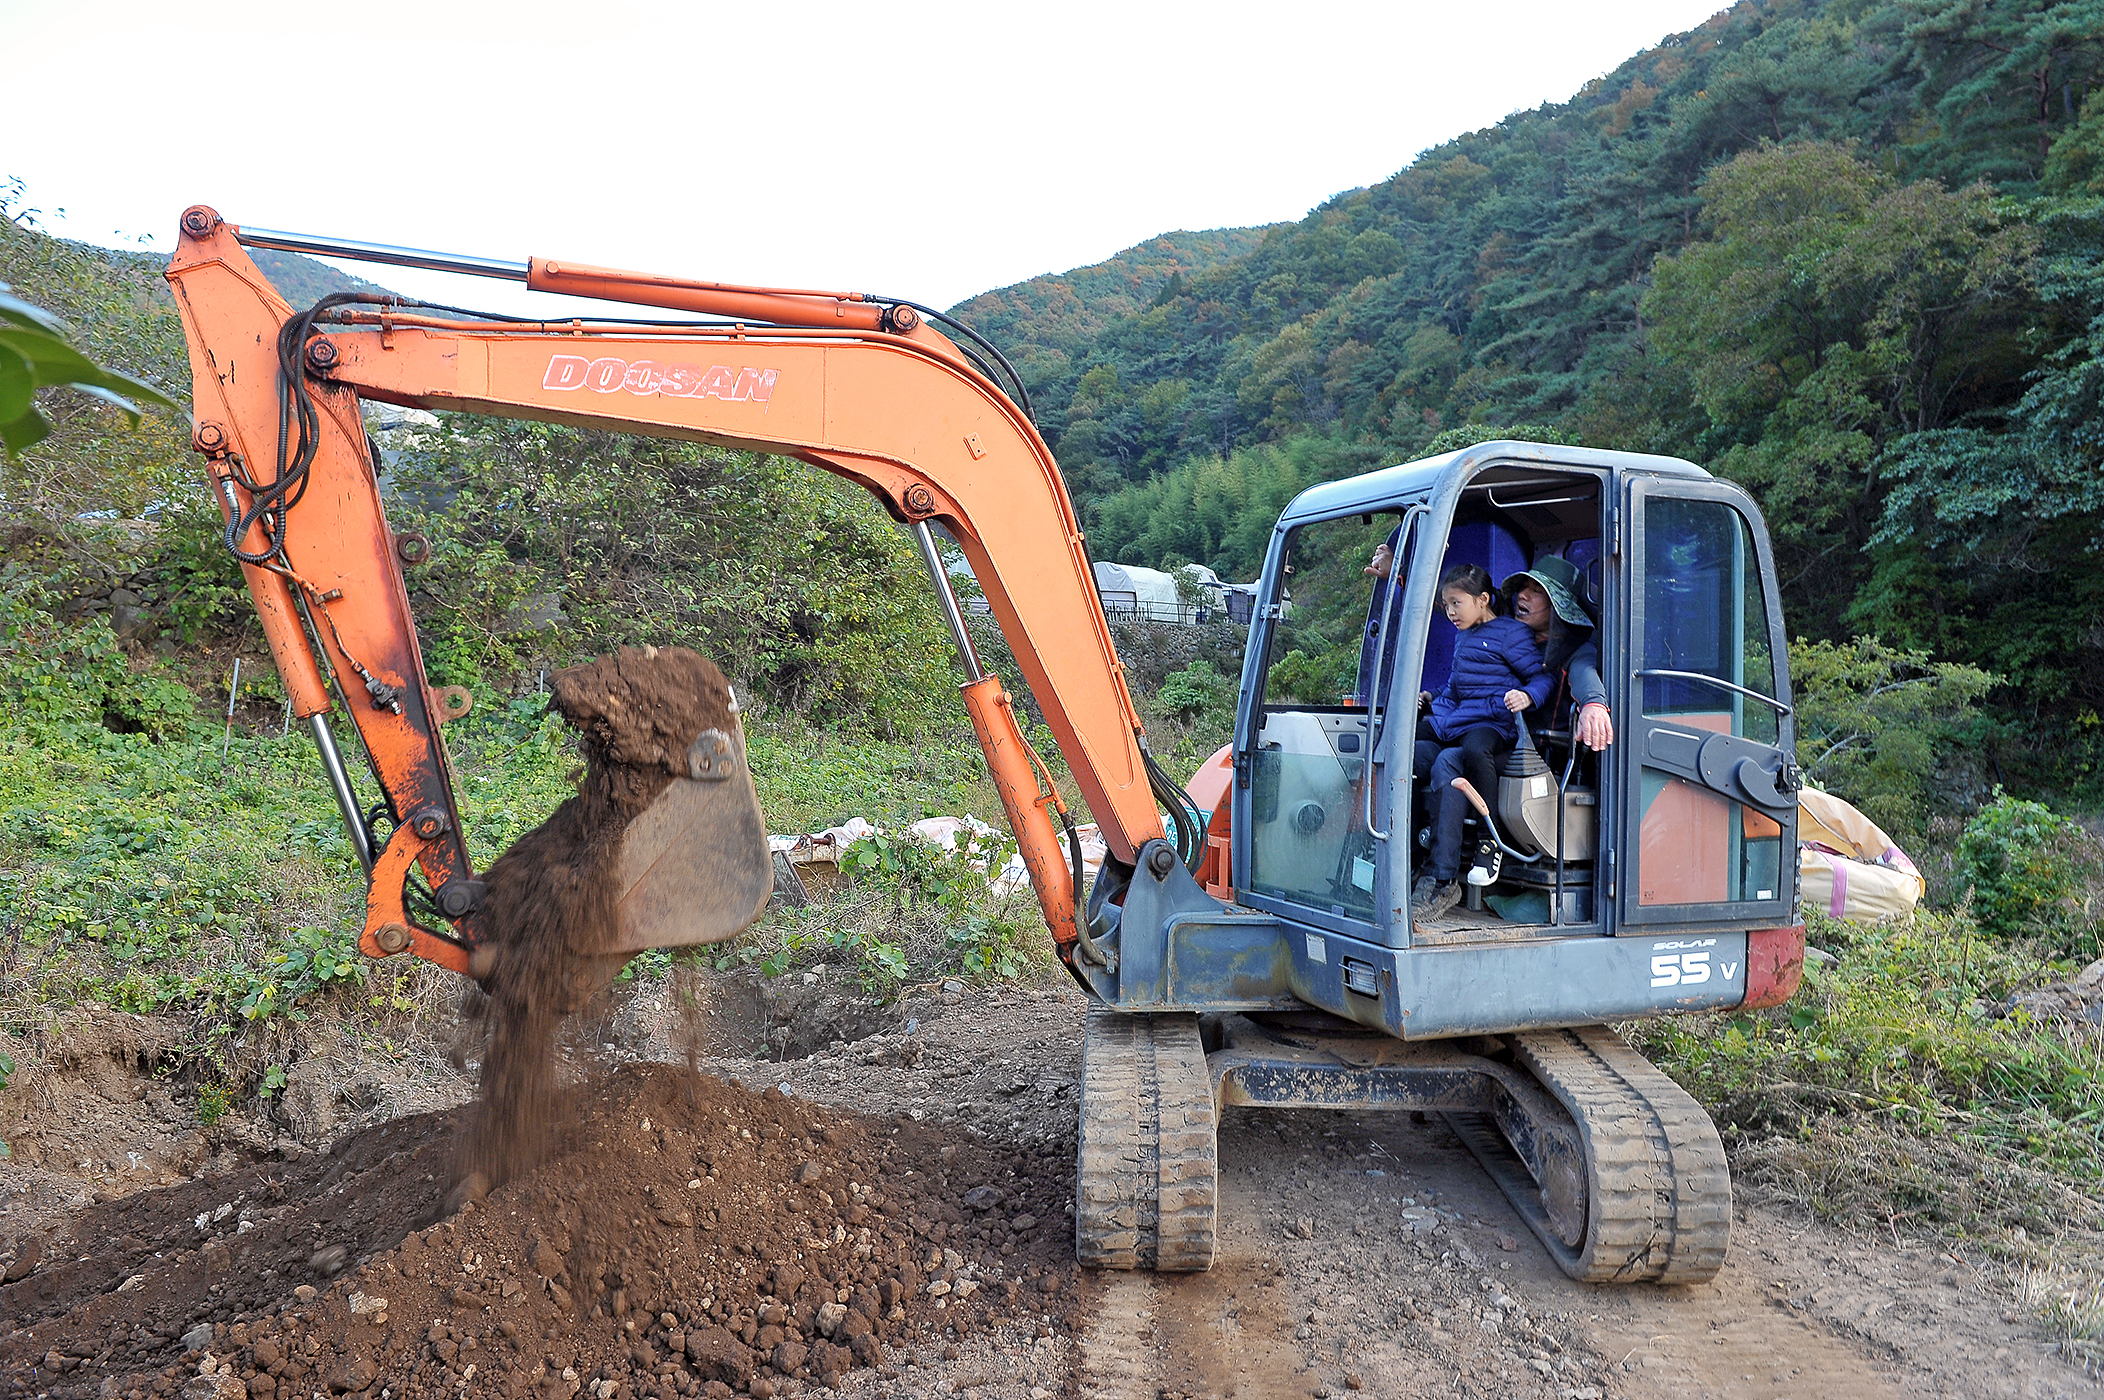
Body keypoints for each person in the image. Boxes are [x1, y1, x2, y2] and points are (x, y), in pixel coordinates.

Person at [1409, 563, 1554, 921]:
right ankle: (1410, 856)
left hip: (1492, 725)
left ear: (1483, 600)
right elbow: (1460, 686)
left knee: (1464, 754)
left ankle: (1489, 842)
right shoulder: (1464, 636)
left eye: (1456, 603)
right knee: (1401, 753)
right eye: (1446, 606)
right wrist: (1432, 696)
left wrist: (1527, 697)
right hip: (1456, 721)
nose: (1450, 612)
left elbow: (1542, 678)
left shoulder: (1510, 634)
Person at [1502, 555, 1614, 752]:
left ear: (1557, 605)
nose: (1522, 595)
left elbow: (1584, 671)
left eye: (1536, 591)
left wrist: (1593, 704)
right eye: (1523, 588)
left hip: (1537, 757)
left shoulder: (1575, 649)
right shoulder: (1507, 638)